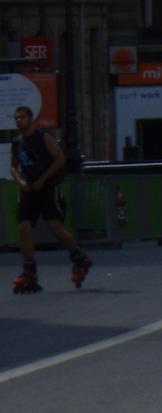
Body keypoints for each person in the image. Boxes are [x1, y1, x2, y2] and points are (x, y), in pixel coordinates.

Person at [9, 105, 91, 292]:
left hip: (46, 189)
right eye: (16, 117)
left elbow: (60, 159)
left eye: (22, 117)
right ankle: (29, 270)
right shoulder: (17, 142)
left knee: (55, 227)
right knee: (24, 227)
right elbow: (13, 166)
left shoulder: (43, 137)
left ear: (31, 118)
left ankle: (78, 256)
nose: (19, 120)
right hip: (28, 189)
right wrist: (20, 180)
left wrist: (43, 179)